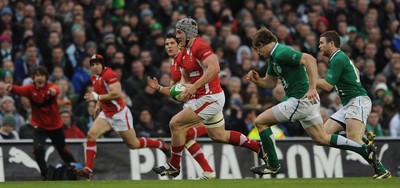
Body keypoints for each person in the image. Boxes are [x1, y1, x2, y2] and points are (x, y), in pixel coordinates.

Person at [246, 27, 378, 177]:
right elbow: (270, 83)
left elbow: (310, 59)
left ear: (262, 44)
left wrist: (312, 87)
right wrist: (258, 81)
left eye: (257, 49)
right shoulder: (273, 59)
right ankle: (362, 149)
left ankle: (272, 165)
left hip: (299, 100)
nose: (258, 53)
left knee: (260, 122)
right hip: (306, 101)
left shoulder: (282, 52)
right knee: (321, 138)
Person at [152, 18, 265, 178]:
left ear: (187, 32)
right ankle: (259, 149)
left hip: (209, 98)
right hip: (201, 98)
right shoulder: (186, 51)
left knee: (176, 125)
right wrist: (183, 86)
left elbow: (215, 68)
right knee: (219, 135)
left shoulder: (200, 46)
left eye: (178, 33)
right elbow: (184, 76)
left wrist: (194, 87)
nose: (176, 38)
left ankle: (174, 165)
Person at [73, 54, 170, 180]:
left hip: (120, 114)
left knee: (133, 144)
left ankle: (159, 143)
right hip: (106, 113)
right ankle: (88, 169)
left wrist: (98, 98)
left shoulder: (109, 75)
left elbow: (116, 93)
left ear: (103, 64)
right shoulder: (94, 77)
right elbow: (101, 92)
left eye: (97, 64)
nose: (95, 67)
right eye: (92, 65)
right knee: (91, 134)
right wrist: (98, 105)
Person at [317, 30, 391, 179]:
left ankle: (380, 167)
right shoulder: (340, 58)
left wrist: (307, 82)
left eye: (322, 43)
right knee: (323, 135)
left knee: (353, 139)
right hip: (348, 104)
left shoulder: (338, 58)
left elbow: (327, 86)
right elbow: (355, 70)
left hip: (357, 101)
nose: (319, 46)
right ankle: (365, 143)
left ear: (332, 43)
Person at [147, 33, 215, 179]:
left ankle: (175, 166)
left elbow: (197, 80)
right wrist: (158, 88)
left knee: (184, 133)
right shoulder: (173, 63)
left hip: (203, 101)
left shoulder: (184, 58)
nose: (169, 46)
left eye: (172, 43)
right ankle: (208, 171)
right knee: (186, 137)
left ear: (179, 45)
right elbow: (175, 91)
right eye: (166, 44)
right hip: (193, 104)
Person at [6, 67, 76, 180]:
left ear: (46, 78)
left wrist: (54, 92)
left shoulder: (50, 88)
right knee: (38, 149)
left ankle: (75, 169)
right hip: (40, 126)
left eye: (42, 75)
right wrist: (11, 88)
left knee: (63, 151)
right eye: (37, 75)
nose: (39, 77)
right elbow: (20, 89)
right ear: (33, 78)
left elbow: (56, 89)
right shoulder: (30, 89)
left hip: (55, 126)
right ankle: (45, 174)